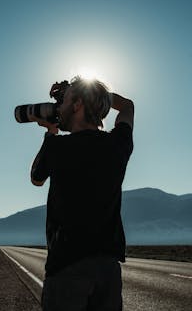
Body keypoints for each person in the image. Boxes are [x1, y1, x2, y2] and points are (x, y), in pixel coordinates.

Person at [30, 76, 134, 311]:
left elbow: (36, 177)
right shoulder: (118, 144)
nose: (59, 107)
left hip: (67, 265)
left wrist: (50, 132)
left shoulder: (58, 148)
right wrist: (95, 96)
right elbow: (128, 106)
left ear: (77, 105)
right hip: (107, 268)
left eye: (64, 101)